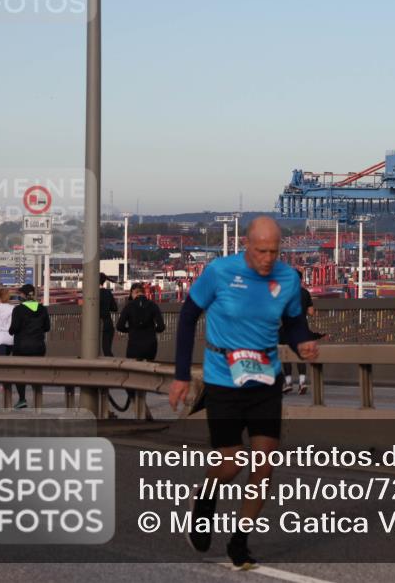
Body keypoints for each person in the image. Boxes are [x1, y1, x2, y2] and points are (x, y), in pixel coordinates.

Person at [169, 216, 319, 570]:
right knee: (232, 460)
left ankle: (240, 540)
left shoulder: (287, 278)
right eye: (261, 251)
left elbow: (293, 322)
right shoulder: (220, 272)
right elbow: (188, 317)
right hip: (223, 377)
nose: (268, 259)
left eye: (274, 251)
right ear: (247, 245)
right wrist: (181, 376)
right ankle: (204, 498)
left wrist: (302, 342)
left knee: (264, 463)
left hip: (266, 378)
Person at [8, 284, 51, 409]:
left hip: (21, 347)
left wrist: (11, 331)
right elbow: (47, 327)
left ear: (24, 295)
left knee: (19, 373)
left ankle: (22, 399)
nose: (19, 296)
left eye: (20, 294)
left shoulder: (18, 310)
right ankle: (37, 401)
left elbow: (14, 328)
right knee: (37, 374)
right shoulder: (42, 309)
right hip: (38, 346)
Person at [283, 270, 325, 395]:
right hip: (301, 327)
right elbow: (311, 312)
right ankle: (302, 382)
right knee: (301, 354)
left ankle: (288, 383)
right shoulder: (305, 293)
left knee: (286, 354)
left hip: (286, 327)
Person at [116, 282, 166, 361]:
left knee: (133, 367)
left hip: (134, 344)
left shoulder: (129, 306)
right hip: (150, 345)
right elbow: (161, 327)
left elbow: (119, 326)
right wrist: (152, 330)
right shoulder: (153, 305)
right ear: (143, 292)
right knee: (148, 366)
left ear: (133, 292)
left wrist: (130, 330)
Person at [99, 272, 118, 356]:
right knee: (107, 349)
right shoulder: (108, 293)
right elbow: (115, 308)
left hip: (98, 324)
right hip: (108, 323)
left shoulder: (93, 294)